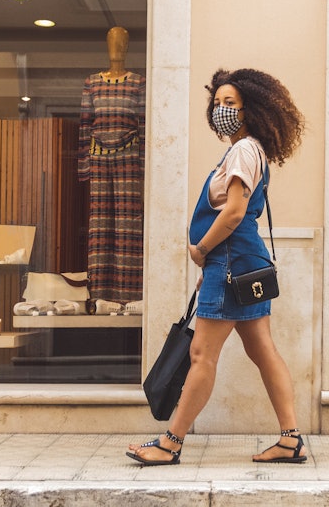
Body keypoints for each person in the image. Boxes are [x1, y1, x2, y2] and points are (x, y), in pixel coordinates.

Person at [128, 68, 307, 466]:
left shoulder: (243, 151)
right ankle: (290, 439)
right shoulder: (250, 150)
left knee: (201, 355)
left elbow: (234, 212)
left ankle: (170, 443)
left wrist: (201, 249)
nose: (220, 109)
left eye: (230, 103)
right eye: (218, 102)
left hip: (228, 262)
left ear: (250, 109)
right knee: (264, 351)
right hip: (243, 263)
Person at [78, 26, 146, 304]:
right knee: (100, 226)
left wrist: (143, 169)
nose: (116, 47)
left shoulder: (138, 83)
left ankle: (128, 298)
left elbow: (143, 125)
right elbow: (85, 125)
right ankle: (99, 297)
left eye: (121, 42)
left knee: (127, 227)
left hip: (129, 156)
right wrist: (84, 167)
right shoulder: (92, 83)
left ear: (127, 46)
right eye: (111, 41)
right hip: (98, 156)